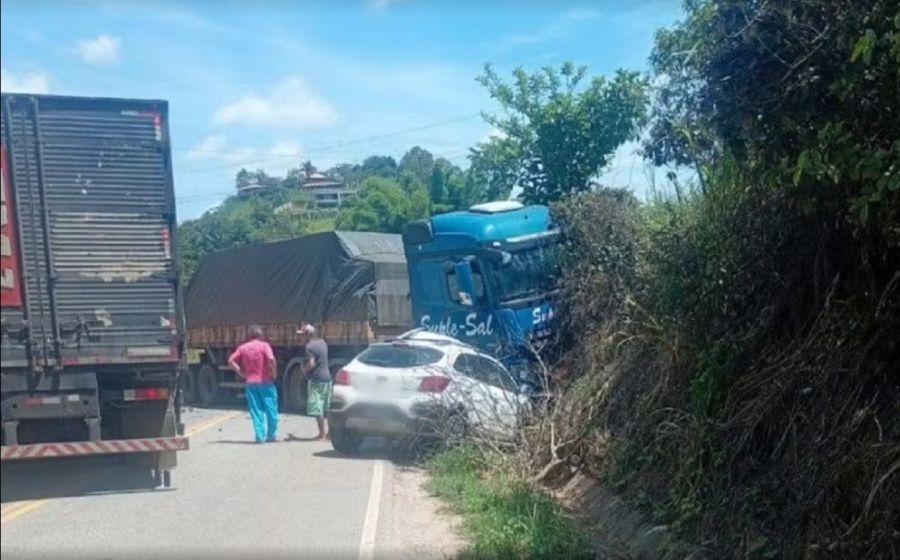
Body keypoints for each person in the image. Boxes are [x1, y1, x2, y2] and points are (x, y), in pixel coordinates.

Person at [228, 325, 279, 443]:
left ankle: (260, 436)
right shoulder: (265, 346)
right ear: (260, 335)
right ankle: (271, 435)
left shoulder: (243, 348)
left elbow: (230, 361)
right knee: (271, 408)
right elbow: (271, 359)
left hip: (250, 382)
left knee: (256, 410)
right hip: (266, 381)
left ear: (249, 336)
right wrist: (274, 373)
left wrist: (241, 372)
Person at [297, 323, 331, 441]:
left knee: (317, 408)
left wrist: (303, 369)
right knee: (327, 407)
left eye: (302, 335)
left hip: (316, 379)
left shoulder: (309, 347)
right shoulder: (323, 343)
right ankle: (330, 434)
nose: (300, 338)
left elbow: (311, 363)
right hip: (327, 377)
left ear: (308, 335)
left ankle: (322, 434)